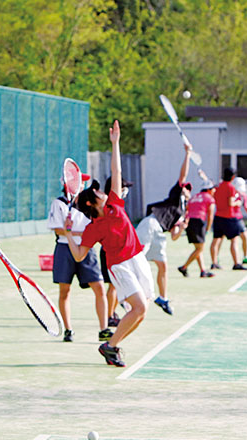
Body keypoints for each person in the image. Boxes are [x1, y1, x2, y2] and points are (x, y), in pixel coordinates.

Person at [65, 120, 154, 368]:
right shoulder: (93, 229)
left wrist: (115, 143)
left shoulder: (115, 204)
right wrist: (69, 234)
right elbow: (81, 255)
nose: (102, 191)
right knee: (138, 309)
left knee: (142, 311)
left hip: (137, 258)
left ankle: (111, 345)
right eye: (97, 192)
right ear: (92, 203)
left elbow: (116, 172)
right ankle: (111, 347)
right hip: (121, 266)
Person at [47, 173, 112, 343]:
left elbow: (97, 225)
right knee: (64, 290)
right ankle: (68, 330)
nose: (81, 184)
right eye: (78, 181)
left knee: (99, 287)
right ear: (67, 183)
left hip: (86, 248)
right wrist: (69, 231)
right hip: (64, 248)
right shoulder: (59, 203)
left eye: (83, 182)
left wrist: (76, 232)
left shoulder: (88, 203)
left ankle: (104, 329)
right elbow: (57, 230)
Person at [134, 143, 194, 316]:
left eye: (189, 189)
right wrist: (188, 153)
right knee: (136, 261)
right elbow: (183, 175)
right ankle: (127, 296)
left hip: (160, 233)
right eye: (185, 187)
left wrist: (182, 227)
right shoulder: (176, 195)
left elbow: (174, 236)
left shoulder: (182, 211)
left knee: (163, 266)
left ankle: (163, 298)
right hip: (150, 225)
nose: (186, 189)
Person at [99, 175, 134, 328]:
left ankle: (111, 313)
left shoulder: (114, 204)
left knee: (114, 285)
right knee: (113, 285)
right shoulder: (109, 204)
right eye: (122, 187)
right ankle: (108, 316)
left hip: (116, 249)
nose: (125, 191)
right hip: (109, 249)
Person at [209, 168, 247, 271]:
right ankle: (236, 263)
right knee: (234, 240)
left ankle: (214, 263)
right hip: (229, 218)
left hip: (218, 217)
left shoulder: (218, 187)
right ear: (233, 177)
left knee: (216, 240)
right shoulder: (231, 187)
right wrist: (238, 203)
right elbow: (230, 203)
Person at [177, 182, 216, 278]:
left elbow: (187, 209)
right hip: (198, 222)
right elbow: (210, 215)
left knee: (198, 248)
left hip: (189, 222)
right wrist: (208, 228)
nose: (214, 190)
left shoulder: (194, 197)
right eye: (213, 189)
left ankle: (203, 271)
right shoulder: (210, 198)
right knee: (200, 248)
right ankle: (184, 267)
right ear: (209, 190)